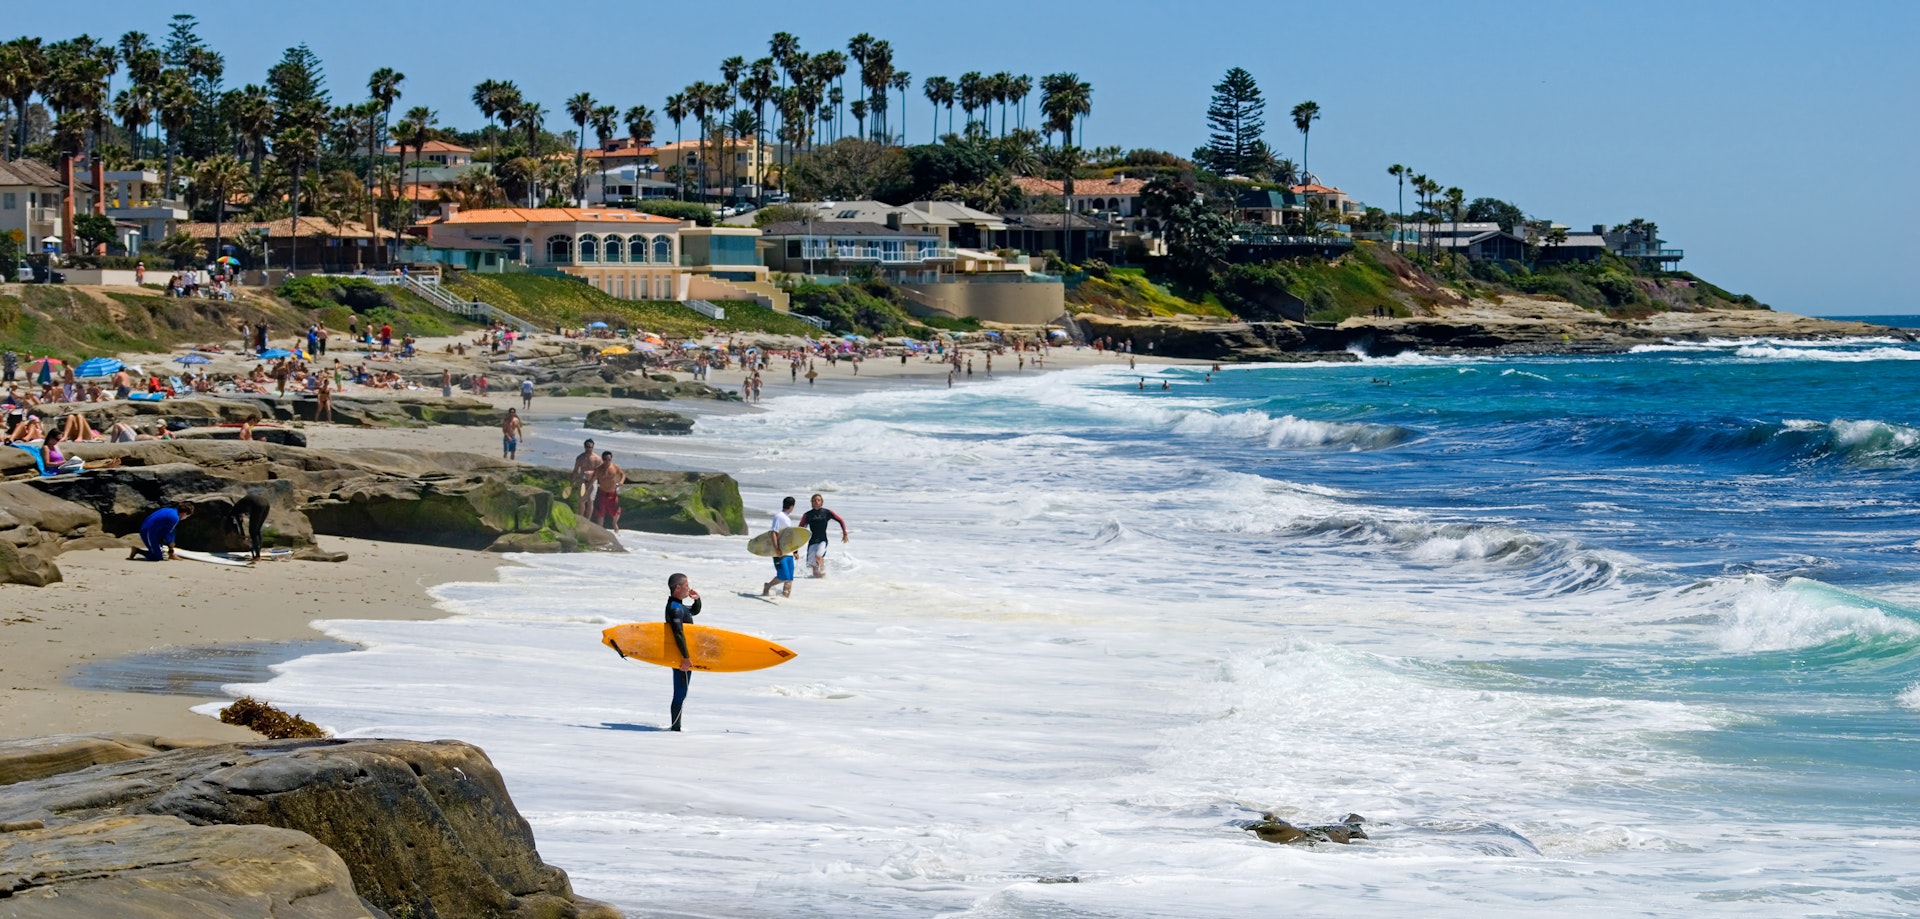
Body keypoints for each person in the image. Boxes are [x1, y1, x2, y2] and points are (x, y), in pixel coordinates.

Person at [664, 572, 701, 731]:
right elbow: (678, 633)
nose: (689, 588)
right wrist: (685, 658)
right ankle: (675, 729)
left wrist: (697, 599)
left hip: (682, 655)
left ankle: (675, 727)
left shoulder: (677, 605)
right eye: (686, 585)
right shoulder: (674, 609)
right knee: (680, 693)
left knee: (682, 693)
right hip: (680, 657)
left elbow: (693, 611)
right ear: (678, 587)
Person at [798, 493, 849, 579]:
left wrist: (845, 533)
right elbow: (800, 528)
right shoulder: (807, 515)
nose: (816, 502)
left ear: (822, 502)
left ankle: (823, 572)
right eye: (814, 500)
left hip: (823, 540)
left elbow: (840, 520)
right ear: (811, 502)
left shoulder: (827, 512)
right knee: (813, 567)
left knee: (818, 556)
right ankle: (819, 581)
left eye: (818, 500)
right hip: (812, 541)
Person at [129, 504, 193, 561]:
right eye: (187, 516)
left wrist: (170, 544)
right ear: (185, 513)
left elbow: (171, 531)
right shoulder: (175, 518)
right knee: (157, 557)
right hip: (148, 531)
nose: (185, 518)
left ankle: (170, 554)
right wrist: (170, 544)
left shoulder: (170, 510)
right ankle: (137, 551)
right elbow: (167, 534)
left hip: (153, 529)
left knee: (169, 538)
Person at [762, 496, 798, 598]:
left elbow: (789, 537)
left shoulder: (787, 518)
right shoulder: (779, 516)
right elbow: (773, 533)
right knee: (784, 576)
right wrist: (776, 548)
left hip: (789, 552)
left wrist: (795, 551)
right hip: (781, 552)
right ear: (792, 506)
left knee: (789, 578)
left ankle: (785, 599)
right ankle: (767, 586)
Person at [228, 487, 272, 561]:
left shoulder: (235, 510)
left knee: (253, 531)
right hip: (266, 503)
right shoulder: (242, 505)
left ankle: (257, 556)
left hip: (257, 504)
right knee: (258, 530)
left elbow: (238, 522)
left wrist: (242, 534)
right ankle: (259, 551)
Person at [591, 450, 625, 530]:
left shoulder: (614, 467)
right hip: (601, 493)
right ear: (603, 459)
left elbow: (622, 474)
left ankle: (614, 523)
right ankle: (600, 530)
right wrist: (587, 488)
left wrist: (621, 481)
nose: (607, 461)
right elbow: (592, 480)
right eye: (605, 459)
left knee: (616, 511)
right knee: (600, 513)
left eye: (609, 459)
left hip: (612, 493)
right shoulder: (598, 469)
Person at [570, 438, 600, 516]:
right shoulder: (580, 457)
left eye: (590, 447)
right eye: (587, 447)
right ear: (584, 447)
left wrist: (591, 473)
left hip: (593, 480)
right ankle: (581, 517)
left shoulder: (597, 458)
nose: (589, 449)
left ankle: (588, 520)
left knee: (590, 500)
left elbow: (598, 472)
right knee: (582, 500)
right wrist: (572, 482)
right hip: (582, 480)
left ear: (593, 447)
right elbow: (576, 470)